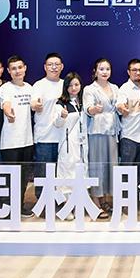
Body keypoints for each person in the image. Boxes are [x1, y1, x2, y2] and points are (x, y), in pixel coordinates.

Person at [83, 58, 120, 218]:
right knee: (97, 167)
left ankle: (105, 199)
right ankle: (95, 203)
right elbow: (87, 108)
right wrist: (93, 109)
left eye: (107, 69)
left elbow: (119, 105)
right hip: (97, 131)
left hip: (112, 131)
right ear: (95, 71)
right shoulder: (89, 89)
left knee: (110, 167)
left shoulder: (115, 87)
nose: (105, 72)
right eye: (101, 69)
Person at [0, 55, 34, 217]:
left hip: (27, 140)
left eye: (20, 67)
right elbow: (6, 104)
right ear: (9, 71)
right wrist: (8, 113)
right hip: (10, 141)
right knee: (10, 177)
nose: (17, 71)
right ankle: (7, 209)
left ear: (25, 68)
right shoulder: (5, 88)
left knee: (24, 176)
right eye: (13, 68)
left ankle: (19, 206)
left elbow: (34, 105)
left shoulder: (30, 88)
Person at [53, 72, 87, 219]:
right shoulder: (60, 103)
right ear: (65, 87)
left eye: (76, 85)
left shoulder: (82, 102)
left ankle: (77, 205)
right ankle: (66, 207)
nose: (74, 88)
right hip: (67, 145)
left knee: (80, 173)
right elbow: (57, 124)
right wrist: (62, 116)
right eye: (70, 85)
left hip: (82, 144)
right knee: (66, 174)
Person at [31, 53, 64, 201]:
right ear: (45, 67)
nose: (54, 67)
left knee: (61, 173)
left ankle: (60, 201)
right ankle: (43, 203)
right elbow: (33, 104)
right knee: (43, 173)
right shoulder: (39, 85)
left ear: (62, 66)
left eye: (57, 64)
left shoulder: (66, 84)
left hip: (63, 137)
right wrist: (36, 106)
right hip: (45, 137)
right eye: (50, 64)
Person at [116, 59, 140, 189]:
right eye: (134, 70)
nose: (137, 73)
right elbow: (120, 104)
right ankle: (124, 199)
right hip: (129, 137)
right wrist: (122, 108)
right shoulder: (125, 88)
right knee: (126, 173)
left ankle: (138, 198)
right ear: (128, 72)